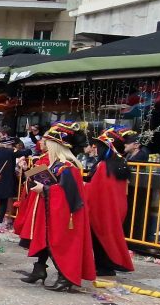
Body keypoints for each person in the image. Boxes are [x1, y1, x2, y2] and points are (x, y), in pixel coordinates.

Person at [20, 122, 95, 292]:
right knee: (45, 240)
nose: (44, 145)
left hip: (66, 214)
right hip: (53, 210)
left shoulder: (69, 167)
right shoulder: (58, 164)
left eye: (48, 142)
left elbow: (66, 194)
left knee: (60, 243)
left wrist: (44, 189)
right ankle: (40, 269)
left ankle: (65, 277)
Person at [84, 128, 134, 277]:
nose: (95, 148)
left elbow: (95, 189)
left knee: (101, 236)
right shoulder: (120, 163)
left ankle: (105, 266)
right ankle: (108, 265)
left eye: (98, 146)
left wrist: (81, 185)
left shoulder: (104, 166)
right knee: (109, 235)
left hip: (104, 207)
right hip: (117, 206)